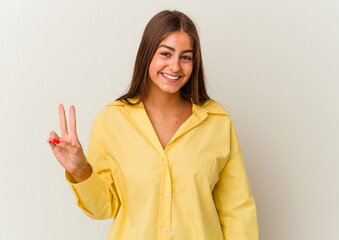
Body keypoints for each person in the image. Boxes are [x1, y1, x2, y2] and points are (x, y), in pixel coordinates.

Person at [47, 10, 259, 240]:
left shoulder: (217, 122)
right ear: (147, 54)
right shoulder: (111, 121)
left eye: (186, 57)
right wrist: (80, 171)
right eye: (166, 54)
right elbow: (103, 208)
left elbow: (238, 212)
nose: (175, 66)